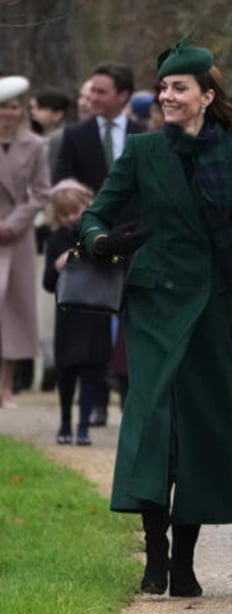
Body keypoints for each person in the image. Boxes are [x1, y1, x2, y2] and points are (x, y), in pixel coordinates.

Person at [78, 38, 232, 596]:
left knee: (203, 431)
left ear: (207, 95)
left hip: (212, 308)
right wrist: (103, 241)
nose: (167, 95)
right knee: (153, 426)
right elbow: (94, 215)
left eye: (179, 87)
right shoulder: (142, 150)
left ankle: (185, 563)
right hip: (153, 305)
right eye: (164, 87)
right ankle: (155, 556)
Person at [56, 62, 147, 428]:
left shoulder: (144, 134)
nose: (92, 98)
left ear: (123, 95)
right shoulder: (75, 135)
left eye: (101, 92)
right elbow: (62, 183)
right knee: (93, 319)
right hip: (94, 238)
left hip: (137, 237)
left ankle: (128, 398)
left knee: (130, 323)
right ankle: (94, 404)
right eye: (90, 91)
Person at [42, 179, 111, 446]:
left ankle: (84, 426)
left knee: (92, 374)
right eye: (65, 214)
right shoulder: (56, 239)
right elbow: (48, 283)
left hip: (94, 314)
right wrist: (60, 263)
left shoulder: (98, 236)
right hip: (68, 315)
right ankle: (65, 422)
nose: (72, 218)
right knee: (67, 374)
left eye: (76, 211)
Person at [0, 75, 51, 408]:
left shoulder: (35, 145)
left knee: (16, 312)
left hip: (16, 237)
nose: (8, 113)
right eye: (3, 107)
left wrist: (14, 224)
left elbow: (42, 191)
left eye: (15, 107)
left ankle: (6, 387)